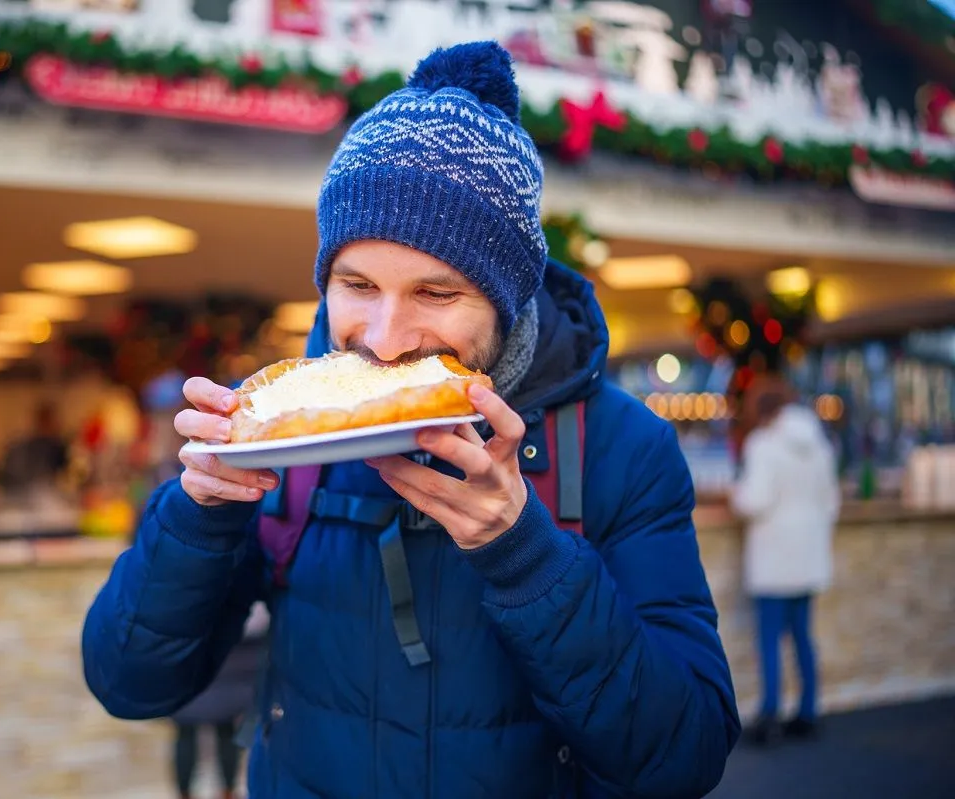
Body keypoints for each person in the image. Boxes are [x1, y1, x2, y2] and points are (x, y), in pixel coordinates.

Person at [83, 42, 739, 798]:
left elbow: (683, 756)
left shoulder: (622, 448)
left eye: (436, 293)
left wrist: (524, 553)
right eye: (357, 284)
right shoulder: (271, 436)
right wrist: (197, 517)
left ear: (505, 298)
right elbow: (130, 683)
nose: (386, 338)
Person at [731, 381, 840, 745]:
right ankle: (808, 710)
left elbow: (754, 501)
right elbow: (831, 501)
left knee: (769, 641)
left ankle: (770, 715)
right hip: (808, 555)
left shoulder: (763, 445)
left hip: (776, 558)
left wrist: (736, 492)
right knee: (803, 637)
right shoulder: (819, 444)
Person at [169, 602, 269, 799]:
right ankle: (228, 791)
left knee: (187, 732)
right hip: (233, 657)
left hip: (192, 657)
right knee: (224, 730)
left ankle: (185, 793)